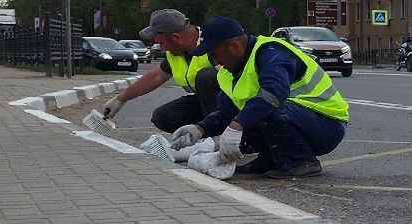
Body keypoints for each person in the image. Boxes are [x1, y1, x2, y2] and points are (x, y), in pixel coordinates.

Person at [169, 16, 348, 179]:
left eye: (214, 54)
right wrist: (199, 129)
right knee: (241, 108)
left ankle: (302, 161)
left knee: (267, 109)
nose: (215, 61)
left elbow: (273, 93)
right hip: (302, 120)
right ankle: (272, 158)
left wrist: (236, 126)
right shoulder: (230, 72)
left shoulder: (271, 52)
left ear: (234, 46)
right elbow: (225, 111)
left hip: (327, 126)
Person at [90, 9, 218, 133]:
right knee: (163, 116)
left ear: (176, 37)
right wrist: (120, 99)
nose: (161, 48)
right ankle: (198, 137)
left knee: (206, 76)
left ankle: (217, 136)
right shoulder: (176, 53)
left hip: (231, 106)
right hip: (207, 105)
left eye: (161, 43)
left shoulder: (214, 43)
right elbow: (156, 76)